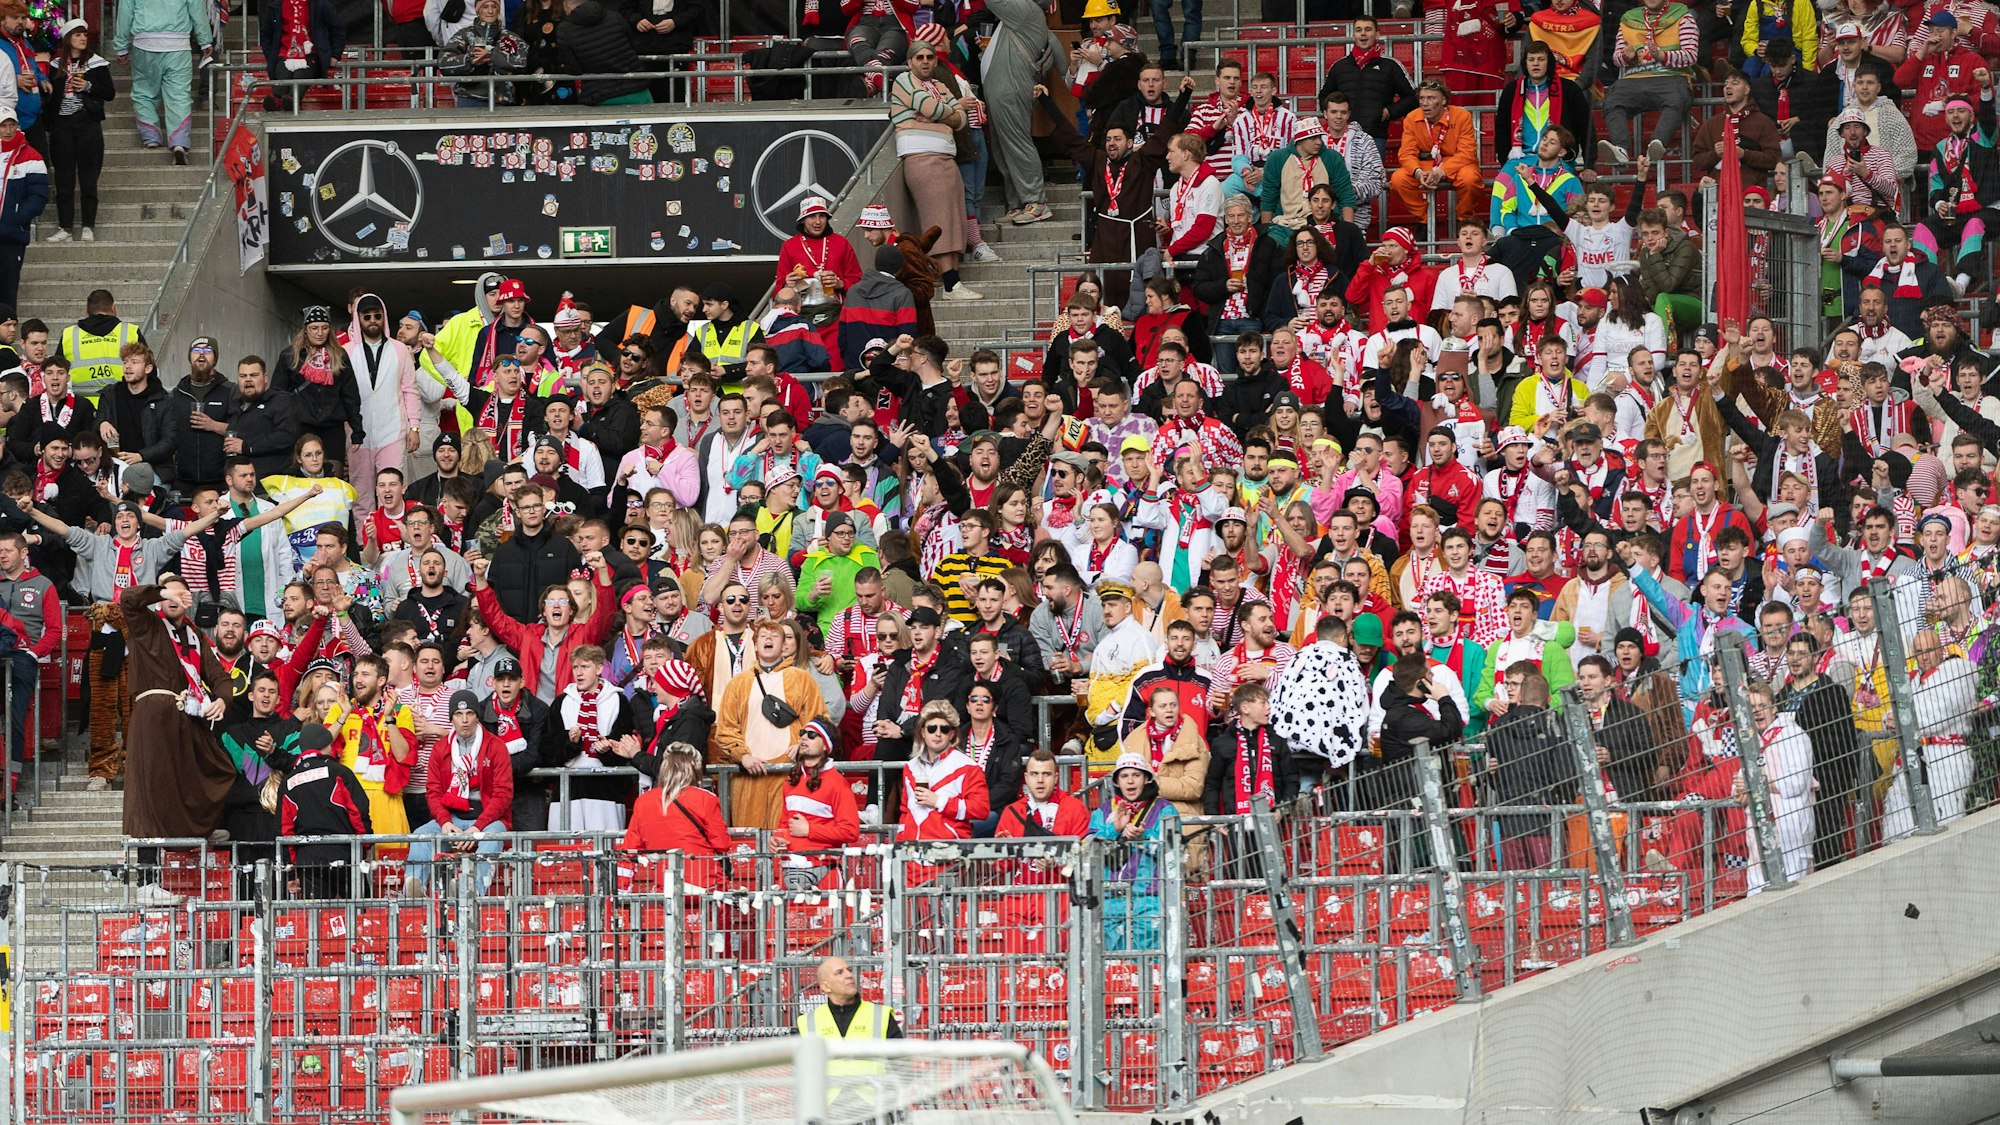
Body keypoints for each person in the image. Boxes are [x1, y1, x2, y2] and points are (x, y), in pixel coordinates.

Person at [120, 578, 236, 903]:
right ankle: (146, 882)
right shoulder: (147, 624)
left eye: (181, 593)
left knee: (218, 767)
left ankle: (198, 827)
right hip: (154, 715)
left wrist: (223, 699)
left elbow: (219, 676)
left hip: (188, 716)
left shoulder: (195, 635)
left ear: (189, 601)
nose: (174, 598)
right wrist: (160, 591)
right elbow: (128, 598)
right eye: (168, 593)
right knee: (151, 790)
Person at [712, 618, 828, 829]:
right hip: (748, 774)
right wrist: (742, 756)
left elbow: (818, 720)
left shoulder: (802, 679)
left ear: (783, 646)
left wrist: (802, 745)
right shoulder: (738, 683)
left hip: (788, 771)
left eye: (775, 636)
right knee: (748, 838)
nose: (768, 639)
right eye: (763, 636)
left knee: (785, 835)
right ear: (755, 646)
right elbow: (725, 728)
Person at [891, 39, 978, 302]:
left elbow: (961, 120)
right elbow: (934, 108)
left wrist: (940, 114)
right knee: (938, 218)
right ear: (910, 62)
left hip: (945, 156)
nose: (925, 61)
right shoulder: (904, 80)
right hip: (922, 157)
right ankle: (950, 283)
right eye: (919, 58)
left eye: (929, 57)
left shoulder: (939, 85)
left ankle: (952, 280)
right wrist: (947, 112)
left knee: (953, 217)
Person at [407, 689, 512, 891]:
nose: (464, 720)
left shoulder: (496, 746)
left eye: (470, 713)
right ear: (451, 718)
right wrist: (445, 822)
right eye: (458, 714)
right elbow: (433, 792)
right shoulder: (440, 748)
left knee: (491, 839)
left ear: (477, 716)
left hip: (488, 819)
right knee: (421, 835)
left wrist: (478, 827)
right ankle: (414, 890)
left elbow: (503, 795)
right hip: (453, 817)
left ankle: (472, 890)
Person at [1481, 670, 1572, 868]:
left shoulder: (1498, 726)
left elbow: (1492, 774)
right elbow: (1565, 773)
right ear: (1548, 699)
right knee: (1552, 881)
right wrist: (1567, 800)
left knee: (1516, 883)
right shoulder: (1555, 725)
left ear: (1520, 697)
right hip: (1547, 817)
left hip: (1510, 819)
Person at [1089, 751, 1173, 950]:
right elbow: (1088, 848)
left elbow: (1173, 851)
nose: (1130, 781)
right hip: (1110, 900)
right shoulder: (1103, 811)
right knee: (1112, 964)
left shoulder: (1165, 809)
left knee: (1149, 963)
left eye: (1136, 775)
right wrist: (1114, 829)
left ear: (1146, 778)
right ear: (1117, 781)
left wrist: (1144, 838)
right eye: (1124, 776)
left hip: (1150, 900)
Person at [1600, 0, 1700, 166]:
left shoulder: (1683, 16)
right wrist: (1626, 57)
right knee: (1612, 99)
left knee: (1676, 98)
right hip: (1634, 79)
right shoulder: (1629, 19)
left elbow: (1691, 55)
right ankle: (1620, 149)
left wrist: (1661, 56)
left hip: (1672, 76)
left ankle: (1656, 145)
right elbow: (1616, 58)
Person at [278, 723, 371, 899]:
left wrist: (291, 872)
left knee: (317, 914)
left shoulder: (287, 783)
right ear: (327, 746)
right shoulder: (340, 772)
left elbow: (285, 831)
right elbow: (359, 813)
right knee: (360, 912)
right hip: (346, 854)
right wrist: (365, 845)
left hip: (309, 861)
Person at [111, 0, 211, 160]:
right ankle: (179, 142)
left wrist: (121, 46)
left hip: (144, 44)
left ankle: (151, 136)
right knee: (179, 96)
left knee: (144, 93)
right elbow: (197, 10)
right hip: (178, 46)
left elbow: (125, 13)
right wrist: (205, 40)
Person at [43, 18, 111, 244]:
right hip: (62, 126)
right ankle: (65, 227)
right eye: (77, 35)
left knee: (89, 178)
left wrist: (89, 86)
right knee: (63, 178)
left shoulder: (97, 63)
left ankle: (88, 225)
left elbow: (109, 92)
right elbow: (50, 97)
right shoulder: (56, 65)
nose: (83, 38)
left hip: (87, 124)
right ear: (67, 39)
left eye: (84, 34)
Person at [897, 698, 989, 840]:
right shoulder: (910, 767)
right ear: (923, 732)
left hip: (950, 849)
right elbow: (905, 812)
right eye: (932, 728)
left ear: (952, 734)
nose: (938, 734)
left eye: (944, 729)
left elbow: (981, 809)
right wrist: (900, 842)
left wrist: (939, 801)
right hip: (913, 850)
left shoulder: (968, 767)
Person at [555, 0, 650, 105]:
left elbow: (575, 69)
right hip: (637, 88)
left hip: (599, 95)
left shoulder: (564, 30)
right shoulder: (615, 16)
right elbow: (632, 46)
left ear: (568, 7)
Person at [796, 955, 902, 1046]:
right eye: (839, 973)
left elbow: (900, 1059)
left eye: (849, 970)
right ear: (826, 987)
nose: (849, 975)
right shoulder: (807, 1023)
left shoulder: (881, 1015)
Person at [438, 0, 525, 108]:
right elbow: (443, 62)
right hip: (468, 98)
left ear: (498, 10)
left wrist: (491, 56)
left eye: (494, 7)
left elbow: (521, 64)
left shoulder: (510, 38)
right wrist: (470, 60)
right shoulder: (465, 34)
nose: (490, 11)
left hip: (502, 100)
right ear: (478, 10)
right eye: (485, 7)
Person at [0, 105, 42, 311]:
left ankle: (6, 329)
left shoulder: (32, 156)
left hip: (12, 236)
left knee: (8, 293)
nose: (8, 130)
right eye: (3, 126)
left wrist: (15, 219)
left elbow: (38, 197)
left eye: (12, 125)